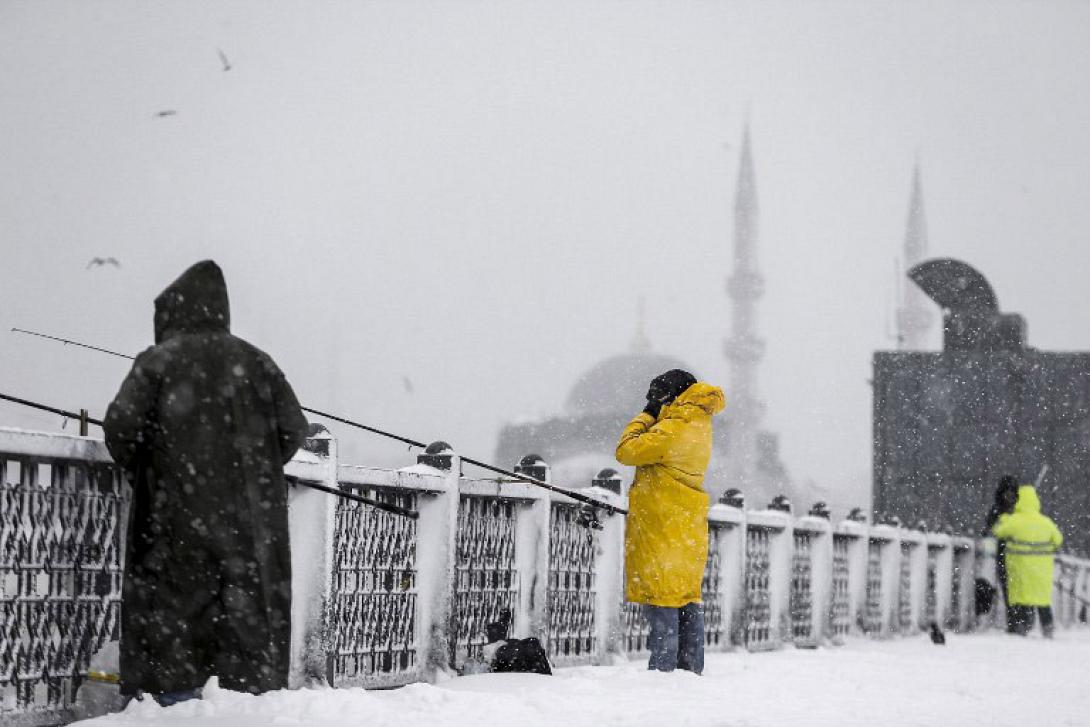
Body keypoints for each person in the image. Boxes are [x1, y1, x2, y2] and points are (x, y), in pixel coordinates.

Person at [104, 260, 308, 704]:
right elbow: (294, 431)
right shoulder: (258, 363)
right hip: (250, 531)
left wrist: (157, 469)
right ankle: (246, 702)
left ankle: (172, 702)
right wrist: (252, 473)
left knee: (172, 633)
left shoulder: (158, 361)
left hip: (173, 526)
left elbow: (121, 431)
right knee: (247, 633)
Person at [615, 369, 725, 674]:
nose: (654, 401)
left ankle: (663, 674)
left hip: (663, 525)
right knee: (687, 598)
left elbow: (625, 451)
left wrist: (647, 415)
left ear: (672, 396)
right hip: (686, 527)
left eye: (657, 396)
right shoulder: (699, 424)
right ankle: (690, 670)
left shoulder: (673, 428)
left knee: (663, 599)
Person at [991, 484, 1064, 637]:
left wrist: (1003, 518)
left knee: (1021, 599)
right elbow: (1058, 539)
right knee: (1042, 600)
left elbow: (998, 531)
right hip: (1041, 571)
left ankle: (1021, 627)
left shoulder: (1014, 521)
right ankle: (1048, 628)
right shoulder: (1046, 522)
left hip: (1019, 569)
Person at [982, 475, 1019, 626]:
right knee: (1008, 589)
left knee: (1014, 589)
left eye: (1012, 492)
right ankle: (1014, 621)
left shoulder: (1003, 510)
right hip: (1005, 554)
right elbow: (988, 529)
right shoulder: (1001, 510)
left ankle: (1017, 621)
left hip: (1011, 555)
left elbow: (988, 529)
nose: (1009, 496)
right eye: (1007, 492)